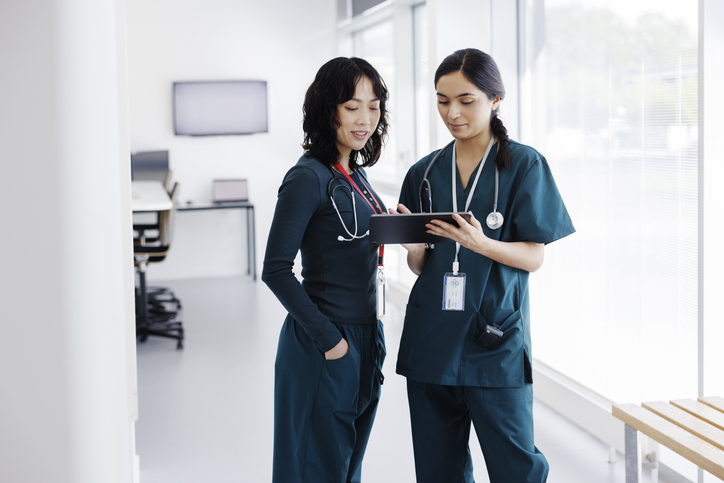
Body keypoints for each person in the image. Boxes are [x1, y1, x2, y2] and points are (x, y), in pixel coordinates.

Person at [391, 48, 575, 483]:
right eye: (442, 100)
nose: (452, 113)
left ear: (495, 99)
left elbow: (534, 255)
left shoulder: (525, 165)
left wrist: (482, 243)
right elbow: (424, 267)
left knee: (517, 469)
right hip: (432, 342)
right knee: (439, 471)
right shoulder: (424, 171)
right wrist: (415, 250)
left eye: (466, 100)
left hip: (494, 342)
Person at [262, 57, 389, 483]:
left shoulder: (355, 173)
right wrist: (331, 341)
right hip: (325, 339)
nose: (365, 119)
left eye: (373, 107)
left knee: (346, 464)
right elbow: (276, 269)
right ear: (326, 108)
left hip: (366, 335)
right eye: (352, 107)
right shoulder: (307, 178)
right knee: (315, 467)